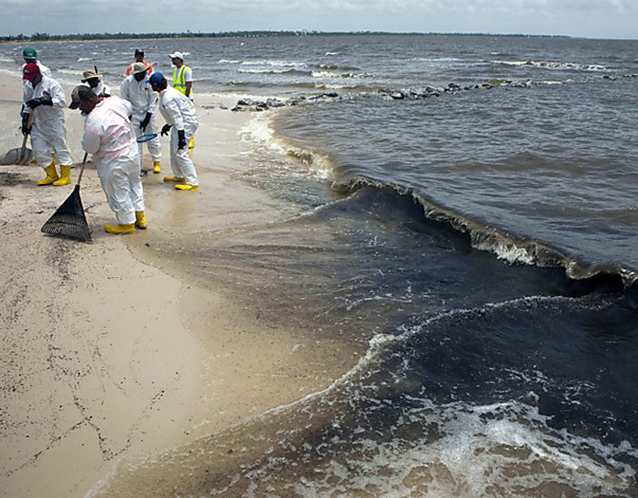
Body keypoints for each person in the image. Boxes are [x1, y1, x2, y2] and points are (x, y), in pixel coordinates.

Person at [69, 85, 147, 234]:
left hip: (113, 160)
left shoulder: (93, 121)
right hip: (132, 152)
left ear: (90, 100)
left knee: (118, 191)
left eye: (81, 105)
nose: (80, 109)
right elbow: (129, 107)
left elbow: (90, 147)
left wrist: (86, 144)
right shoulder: (114, 101)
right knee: (134, 184)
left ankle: (127, 224)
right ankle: (140, 216)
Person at [22, 63, 73, 186]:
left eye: (33, 78)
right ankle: (51, 175)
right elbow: (26, 104)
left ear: (38, 74)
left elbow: (61, 102)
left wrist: (43, 101)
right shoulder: (28, 86)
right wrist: (24, 120)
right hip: (37, 121)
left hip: (53, 121)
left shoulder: (52, 84)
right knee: (39, 150)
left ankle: (65, 176)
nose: (31, 82)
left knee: (59, 147)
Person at [148, 72, 199, 191]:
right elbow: (174, 116)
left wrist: (181, 137)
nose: (150, 86)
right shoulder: (164, 93)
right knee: (173, 149)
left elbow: (177, 117)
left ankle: (193, 183)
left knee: (180, 152)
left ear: (156, 85)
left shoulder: (168, 97)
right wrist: (168, 125)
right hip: (180, 124)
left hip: (185, 124)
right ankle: (179, 175)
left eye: (151, 84)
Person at [120, 63, 162, 174]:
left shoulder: (149, 82)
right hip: (133, 114)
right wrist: (128, 116)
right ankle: (137, 165)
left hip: (148, 113)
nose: (142, 75)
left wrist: (148, 116)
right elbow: (124, 99)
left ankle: (156, 161)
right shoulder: (127, 82)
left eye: (144, 73)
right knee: (135, 141)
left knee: (152, 137)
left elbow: (152, 99)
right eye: (140, 74)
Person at [169, 51, 195, 148]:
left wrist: (186, 98)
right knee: (179, 118)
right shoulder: (175, 71)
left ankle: (191, 138)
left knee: (188, 119)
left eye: (174, 59)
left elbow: (188, 85)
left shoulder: (187, 70)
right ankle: (182, 137)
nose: (172, 60)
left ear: (179, 59)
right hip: (177, 97)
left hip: (185, 98)